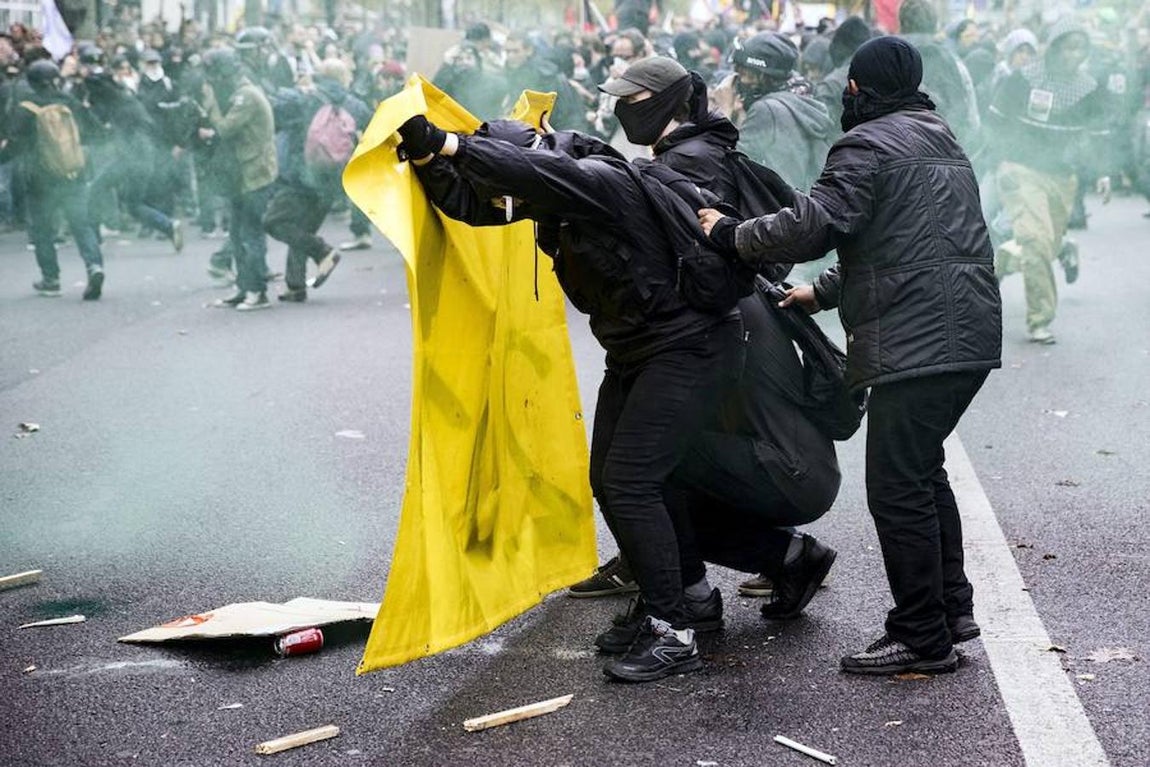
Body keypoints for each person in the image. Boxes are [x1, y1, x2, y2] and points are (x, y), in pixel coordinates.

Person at [395, 110, 744, 684]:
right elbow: (473, 208)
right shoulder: (555, 195)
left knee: (632, 483)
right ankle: (693, 598)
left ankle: (673, 630)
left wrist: (450, 143)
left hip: (690, 347)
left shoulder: (598, 180)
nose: (510, 198)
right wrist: (432, 160)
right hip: (642, 349)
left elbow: (524, 173)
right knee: (612, 477)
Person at [699, 36, 1002, 675]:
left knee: (897, 488)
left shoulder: (866, 144)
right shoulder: (937, 136)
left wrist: (731, 233)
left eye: (851, 87)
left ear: (860, 89)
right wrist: (823, 293)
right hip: (966, 332)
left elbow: (816, 222)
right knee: (921, 472)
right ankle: (950, 609)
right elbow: (905, 241)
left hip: (919, 339)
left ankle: (921, 634)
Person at [987, 17, 1115, 344]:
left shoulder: (1089, 89)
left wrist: (1102, 173)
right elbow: (996, 121)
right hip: (1020, 169)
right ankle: (1040, 319)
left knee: (1046, 243)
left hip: (1062, 177)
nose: (1074, 54)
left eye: (1080, 48)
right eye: (1067, 47)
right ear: (1053, 47)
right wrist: (999, 159)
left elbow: (1100, 136)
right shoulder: (1022, 80)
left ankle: (1006, 258)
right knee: (1037, 239)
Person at [262, 59, 368, 301]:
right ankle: (295, 286)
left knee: (273, 222)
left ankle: (323, 252)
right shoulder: (355, 105)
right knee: (302, 229)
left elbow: (275, 116)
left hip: (302, 177)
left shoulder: (306, 99)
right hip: (332, 181)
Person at [1, 59, 106, 299]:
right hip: (73, 174)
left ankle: (51, 279)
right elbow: (94, 131)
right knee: (81, 223)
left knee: (42, 229)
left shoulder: (26, 107)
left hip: (40, 179)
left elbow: (15, 144)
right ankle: (94, 266)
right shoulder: (69, 102)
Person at [198, 47, 278, 311]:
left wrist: (209, 103)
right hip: (243, 174)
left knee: (250, 235)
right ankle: (244, 288)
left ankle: (257, 291)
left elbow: (224, 128)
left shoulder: (246, 97)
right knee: (236, 234)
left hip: (254, 175)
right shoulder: (242, 94)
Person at [729, 31, 834, 191]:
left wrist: (724, 112)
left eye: (745, 74)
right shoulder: (802, 98)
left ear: (763, 76)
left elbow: (732, 167)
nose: (740, 81)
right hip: (802, 206)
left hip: (773, 208)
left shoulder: (766, 110)